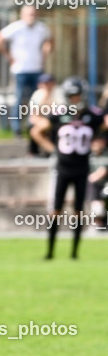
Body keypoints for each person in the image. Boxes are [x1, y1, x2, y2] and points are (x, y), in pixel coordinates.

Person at [30, 76, 107, 259]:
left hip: (82, 169)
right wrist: (53, 150)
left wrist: (99, 142)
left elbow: (104, 125)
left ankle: (74, 253)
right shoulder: (58, 115)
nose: (75, 99)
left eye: (77, 95)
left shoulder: (92, 115)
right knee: (55, 210)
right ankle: (50, 252)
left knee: (78, 211)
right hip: (62, 169)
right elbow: (36, 131)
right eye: (72, 96)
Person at [0, 5, 53, 136]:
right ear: (22, 15)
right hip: (20, 70)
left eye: (33, 14)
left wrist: (45, 54)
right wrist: (9, 57)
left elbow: (50, 40)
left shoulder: (41, 28)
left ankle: (33, 125)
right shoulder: (16, 27)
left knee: (35, 100)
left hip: (36, 69)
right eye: (29, 14)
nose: (31, 17)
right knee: (19, 99)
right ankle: (16, 128)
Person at [27, 73, 64, 157]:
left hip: (56, 120)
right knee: (33, 129)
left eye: (48, 82)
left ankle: (54, 152)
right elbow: (34, 115)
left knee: (49, 129)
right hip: (43, 121)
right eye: (44, 83)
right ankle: (50, 151)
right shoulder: (37, 94)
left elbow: (60, 112)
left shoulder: (59, 92)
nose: (46, 85)